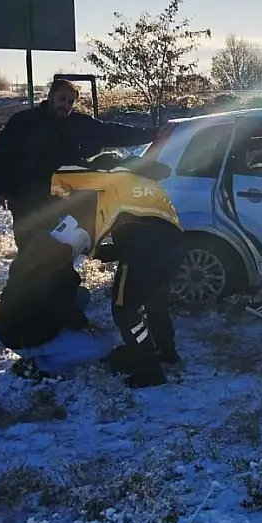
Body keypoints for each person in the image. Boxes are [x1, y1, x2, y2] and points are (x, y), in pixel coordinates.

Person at [51, 152, 186, 388]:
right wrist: (94, 252)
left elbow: (68, 176)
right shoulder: (146, 186)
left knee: (125, 311)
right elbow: (138, 236)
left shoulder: (116, 180)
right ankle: (167, 353)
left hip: (144, 254)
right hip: (172, 248)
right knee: (155, 302)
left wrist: (55, 190)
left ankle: (149, 370)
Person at [0, 79, 161, 252]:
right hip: (25, 196)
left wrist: (153, 134)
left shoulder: (77, 123)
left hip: (58, 198)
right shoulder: (23, 121)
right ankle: (24, 276)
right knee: (27, 248)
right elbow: (2, 156)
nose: (66, 105)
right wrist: (1, 190)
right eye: (62, 99)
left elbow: (112, 132)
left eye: (70, 102)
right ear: (51, 96)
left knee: (54, 250)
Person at [0, 215, 117, 380]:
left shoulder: (40, 254)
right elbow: (56, 303)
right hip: (24, 338)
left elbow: (60, 296)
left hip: (21, 325)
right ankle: (38, 366)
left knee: (81, 294)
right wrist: (82, 324)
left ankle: (57, 339)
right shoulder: (52, 272)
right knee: (104, 343)